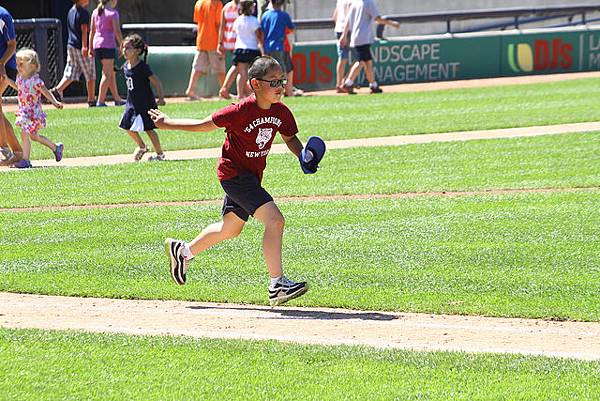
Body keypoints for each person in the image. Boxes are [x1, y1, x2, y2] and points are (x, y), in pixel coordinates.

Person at [149, 56, 320, 306]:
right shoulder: (239, 111)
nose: (280, 86)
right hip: (234, 176)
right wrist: (167, 123)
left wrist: (302, 156)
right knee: (275, 220)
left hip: (250, 177)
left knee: (230, 228)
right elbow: (203, 125)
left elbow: (290, 137)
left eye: (282, 80)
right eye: (273, 82)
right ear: (255, 84)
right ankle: (277, 284)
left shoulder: (281, 112)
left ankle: (183, 252)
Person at [5, 49, 64, 169]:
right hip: (24, 112)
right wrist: (7, 81)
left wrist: (54, 102)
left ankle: (25, 160)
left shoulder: (36, 81)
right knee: (34, 136)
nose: (18, 67)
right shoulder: (20, 78)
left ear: (32, 65)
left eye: (21, 64)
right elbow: (19, 88)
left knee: (24, 133)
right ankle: (56, 147)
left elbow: (46, 92)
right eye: (17, 64)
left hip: (33, 114)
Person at [119, 34, 166, 162]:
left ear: (137, 51)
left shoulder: (142, 67)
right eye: (123, 47)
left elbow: (156, 82)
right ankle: (142, 146)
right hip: (132, 103)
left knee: (149, 129)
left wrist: (161, 98)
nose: (124, 50)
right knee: (126, 126)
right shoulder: (125, 66)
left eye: (128, 48)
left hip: (145, 104)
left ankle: (160, 154)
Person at [339, 0, 400, 94]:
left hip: (357, 36)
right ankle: (348, 83)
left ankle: (373, 85)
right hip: (363, 37)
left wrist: (344, 34)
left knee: (368, 62)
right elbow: (377, 19)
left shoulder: (355, 3)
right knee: (361, 61)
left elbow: (348, 20)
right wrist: (392, 23)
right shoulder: (369, 3)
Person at [52, 0, 96, 107]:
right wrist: (85, 47)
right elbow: (84, 30)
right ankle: (91, 101)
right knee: (90, 73)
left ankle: (57, 90)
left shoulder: (71, 11)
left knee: (72, 71)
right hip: (80, 46)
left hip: (70, 45)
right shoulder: (83, 12)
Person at [185, 0, 226, 100]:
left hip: (201, 40)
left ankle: (190, 90)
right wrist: (221, 42)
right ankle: (224, 91)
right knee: (220, 69)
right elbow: (218, 24)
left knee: (197, 68)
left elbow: (198, 21)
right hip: (214, 41)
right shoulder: (217, 3)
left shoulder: (199, 2)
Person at [89, 0, 125, 106]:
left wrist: (90, 47)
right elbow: (117, 31)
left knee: (110, 72)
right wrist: (123, 45)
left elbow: (92, 31)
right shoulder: (113, 13)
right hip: (107, 44)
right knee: (107, 74)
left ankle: (117, 99)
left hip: (97, 45)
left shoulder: (95, 12)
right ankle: (100, 101)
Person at [0, 5, 23, 167]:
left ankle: (4, 150)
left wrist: (1, 63)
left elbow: (12, 44)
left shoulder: (3, 15)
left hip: (5, 66)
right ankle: (17, 152)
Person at [230, 0, 263, 99]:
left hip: (240, 48)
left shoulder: (238, 20)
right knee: (253, 74)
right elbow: (258, 37)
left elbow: (235, 33)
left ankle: (240, 95)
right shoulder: (254, 20)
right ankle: (253, 94)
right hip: (252, 49)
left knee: (242, 73)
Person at [260, 0, 294, 74]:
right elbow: (291, 29)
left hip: (267, 48)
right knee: (281, 71)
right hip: (278, 47)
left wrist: (262, 50)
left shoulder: (265, 15)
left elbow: (262, 34)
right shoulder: (284, 15)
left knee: (269, 71)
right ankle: (280, 85)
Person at [217, 0, 240, 99]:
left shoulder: (226, 7)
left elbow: (222, 27)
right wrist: (219, 43)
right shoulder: (241, 6)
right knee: (238, 66)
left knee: (239, 67)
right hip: (238, 42)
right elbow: (222, 26)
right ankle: (225, 89)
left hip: (231, 42)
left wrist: (220, 43)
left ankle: (244, 91)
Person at [332, 0, 351, 93]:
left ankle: (339, 84)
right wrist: (344, 33)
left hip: (339, 29)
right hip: (347, 30)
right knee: (361, 58)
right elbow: (349, 17)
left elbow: (334, 17)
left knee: (342, 57)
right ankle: (346, 81)